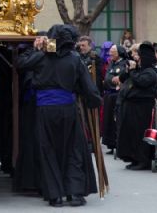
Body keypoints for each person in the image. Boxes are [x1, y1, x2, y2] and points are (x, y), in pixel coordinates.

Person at [17, 25, 101, 207]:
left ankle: (54, 195)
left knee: (48, 151)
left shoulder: (41, 57)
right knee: (73, 149)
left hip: (45, 110)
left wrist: (37, 48)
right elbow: (87, 87)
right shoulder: (75, 59)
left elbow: (21, 63)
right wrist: (94, 101)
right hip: (67, 109)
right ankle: (75, 193)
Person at [116, 42, 157, 171]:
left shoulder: (150, 72)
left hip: (142, 107)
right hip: (131, 106)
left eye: (137, 55)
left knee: (140, 133)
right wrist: (128, 71)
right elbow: (123, 78)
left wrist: (133, 71)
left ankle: (143, 160)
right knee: (130, 133)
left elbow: (141, 82)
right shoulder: (137, 70)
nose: (135, 57)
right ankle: (133, 158)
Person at [102, 44, 128, 154]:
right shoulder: (111, 63)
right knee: (108, 120)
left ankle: (118, 143)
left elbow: (120, 79)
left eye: (113, 51)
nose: (110, 53)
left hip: (117, 95)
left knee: (116, 119)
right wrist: (110, 80)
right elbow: (108, 78)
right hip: (109, 95)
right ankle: (110, 143)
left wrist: (112, 80)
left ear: (119, 53)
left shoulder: (124, 63)